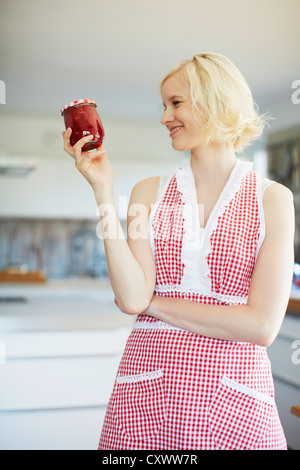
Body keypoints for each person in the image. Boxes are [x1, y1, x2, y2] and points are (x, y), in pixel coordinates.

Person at [62, 52, 294, 450]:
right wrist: (102, 190)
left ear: (216, 101)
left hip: (233, 397)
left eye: (176, 103)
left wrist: (155, 304)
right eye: (163, 105)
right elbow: (132, 296)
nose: (165, 117)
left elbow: (261, 327)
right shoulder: (146, 193)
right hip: (148, 391)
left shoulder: (273, 199)